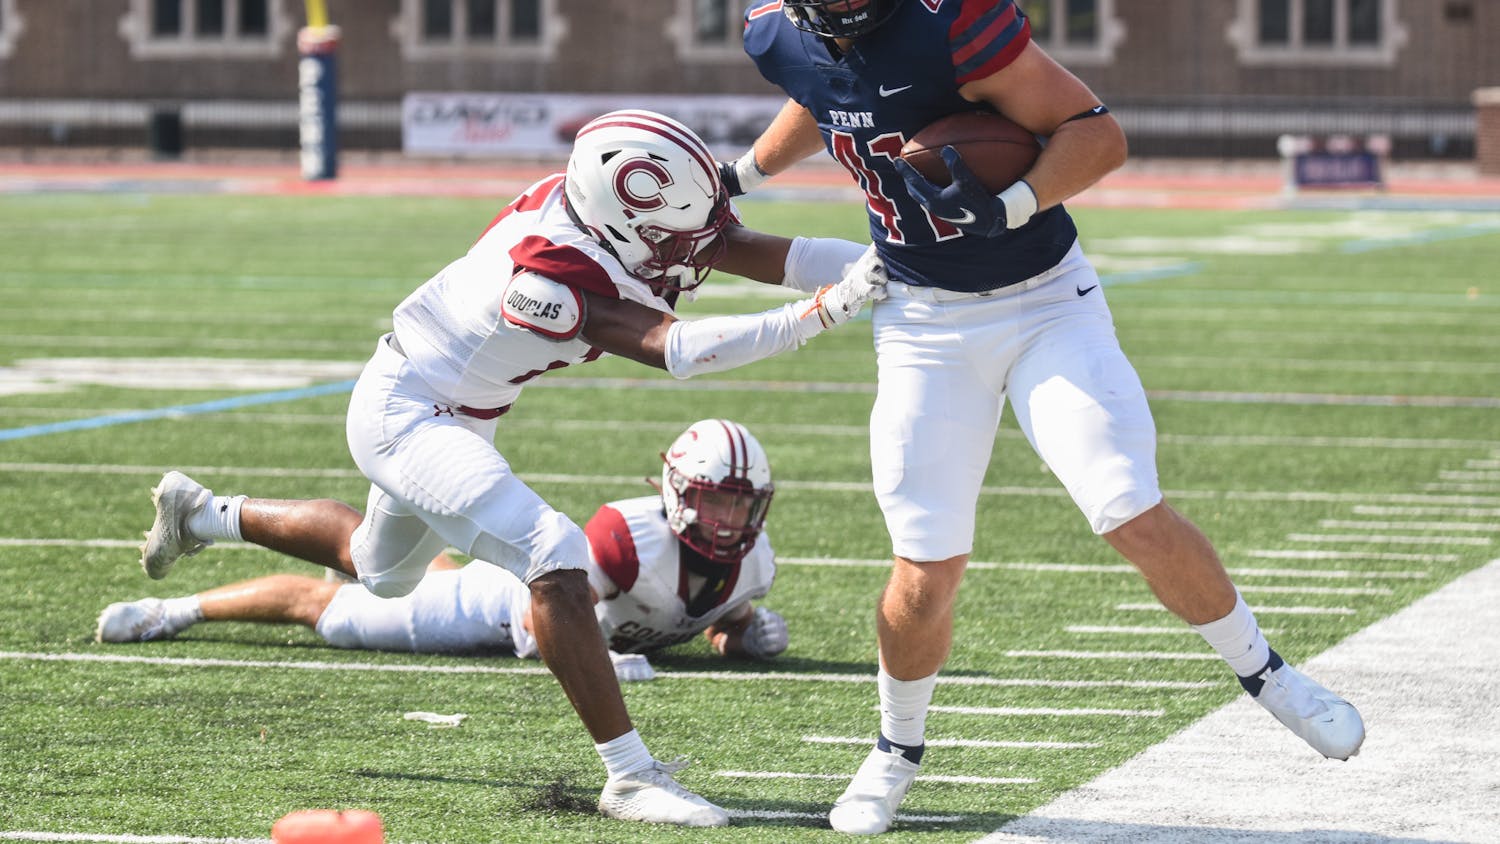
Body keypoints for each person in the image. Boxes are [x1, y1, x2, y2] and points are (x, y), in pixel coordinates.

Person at [135, 110, 885, 829]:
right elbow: (676, 349)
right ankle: (631, 775)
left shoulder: (612, 213)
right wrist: (821, 313)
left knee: (377, 567)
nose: (689, 248)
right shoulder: (546, 278)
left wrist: (901, 264)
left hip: (461, 411)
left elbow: (769, 251)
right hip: (408, 413)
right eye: (670, 235)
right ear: (620, 220)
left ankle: (201, 514)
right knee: (554, 555)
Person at [722, 1, 1364, 834]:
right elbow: (828, 97)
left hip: (1046, 304)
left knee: (1125, 503)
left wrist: (1011, 204)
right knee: (924, 562)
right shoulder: (775, 33)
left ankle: (1270, 675)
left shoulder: (952, 22)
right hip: (920, 317)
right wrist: (740, 176)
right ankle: (895, 748)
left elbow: (1097, 133)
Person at [99, 419, 788, 681]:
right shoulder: (626, 539)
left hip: (508, 588)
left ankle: (387, 528)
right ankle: (176, 608)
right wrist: (605, 658)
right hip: (493, 608)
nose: (726, 520)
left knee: (379, 555)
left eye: (739, 503)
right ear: (674, 492)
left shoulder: (753, 567)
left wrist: (745, 632)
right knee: (332, 608)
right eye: (713, 499)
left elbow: (713, 620)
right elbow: (534, 621)